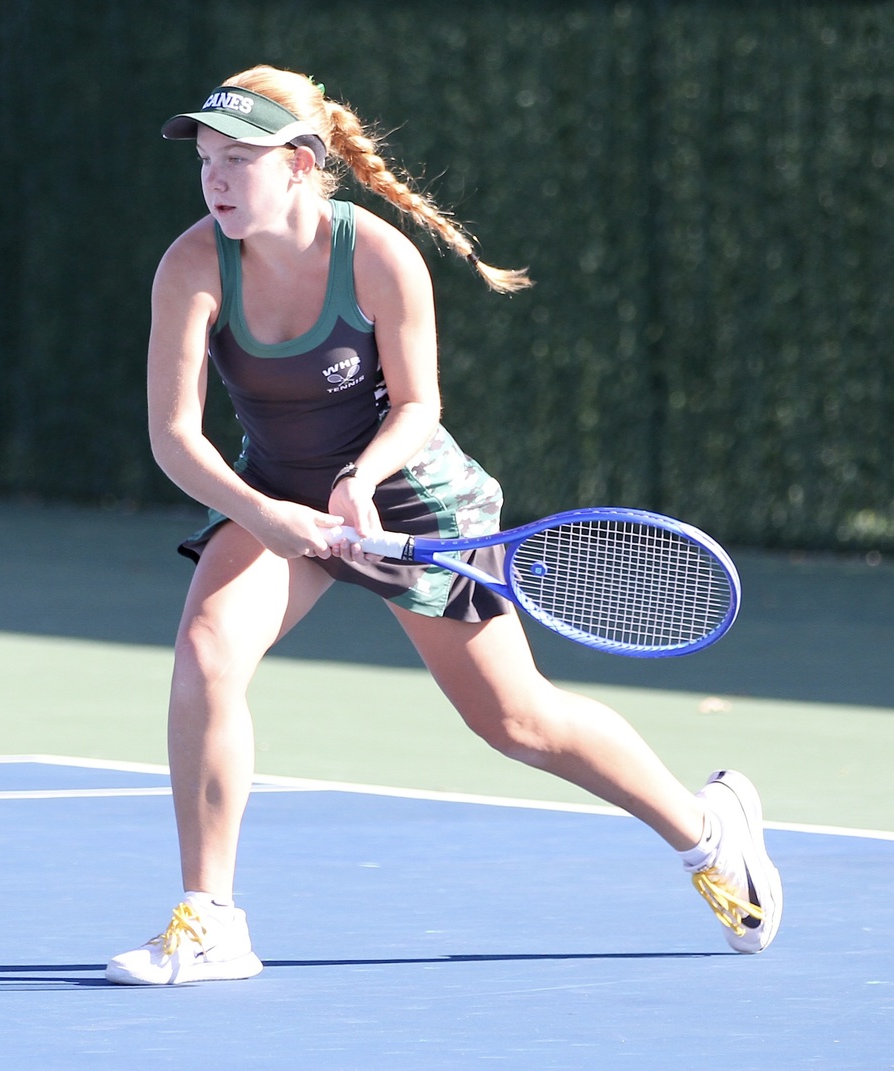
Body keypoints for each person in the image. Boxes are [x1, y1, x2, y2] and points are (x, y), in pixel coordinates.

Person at [104, 65, 782, 986]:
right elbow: (173, 436)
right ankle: (211, 917)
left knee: (516, 720)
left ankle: (707, 833)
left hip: (414, 500)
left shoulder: (379, 257)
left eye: (240, 160)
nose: (216, 180)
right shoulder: (192, 264)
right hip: (276, 494)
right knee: (208, 647)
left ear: (302, 164)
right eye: (208, 161)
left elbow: (417, 403)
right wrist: (269, 513)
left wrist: (362, 481)